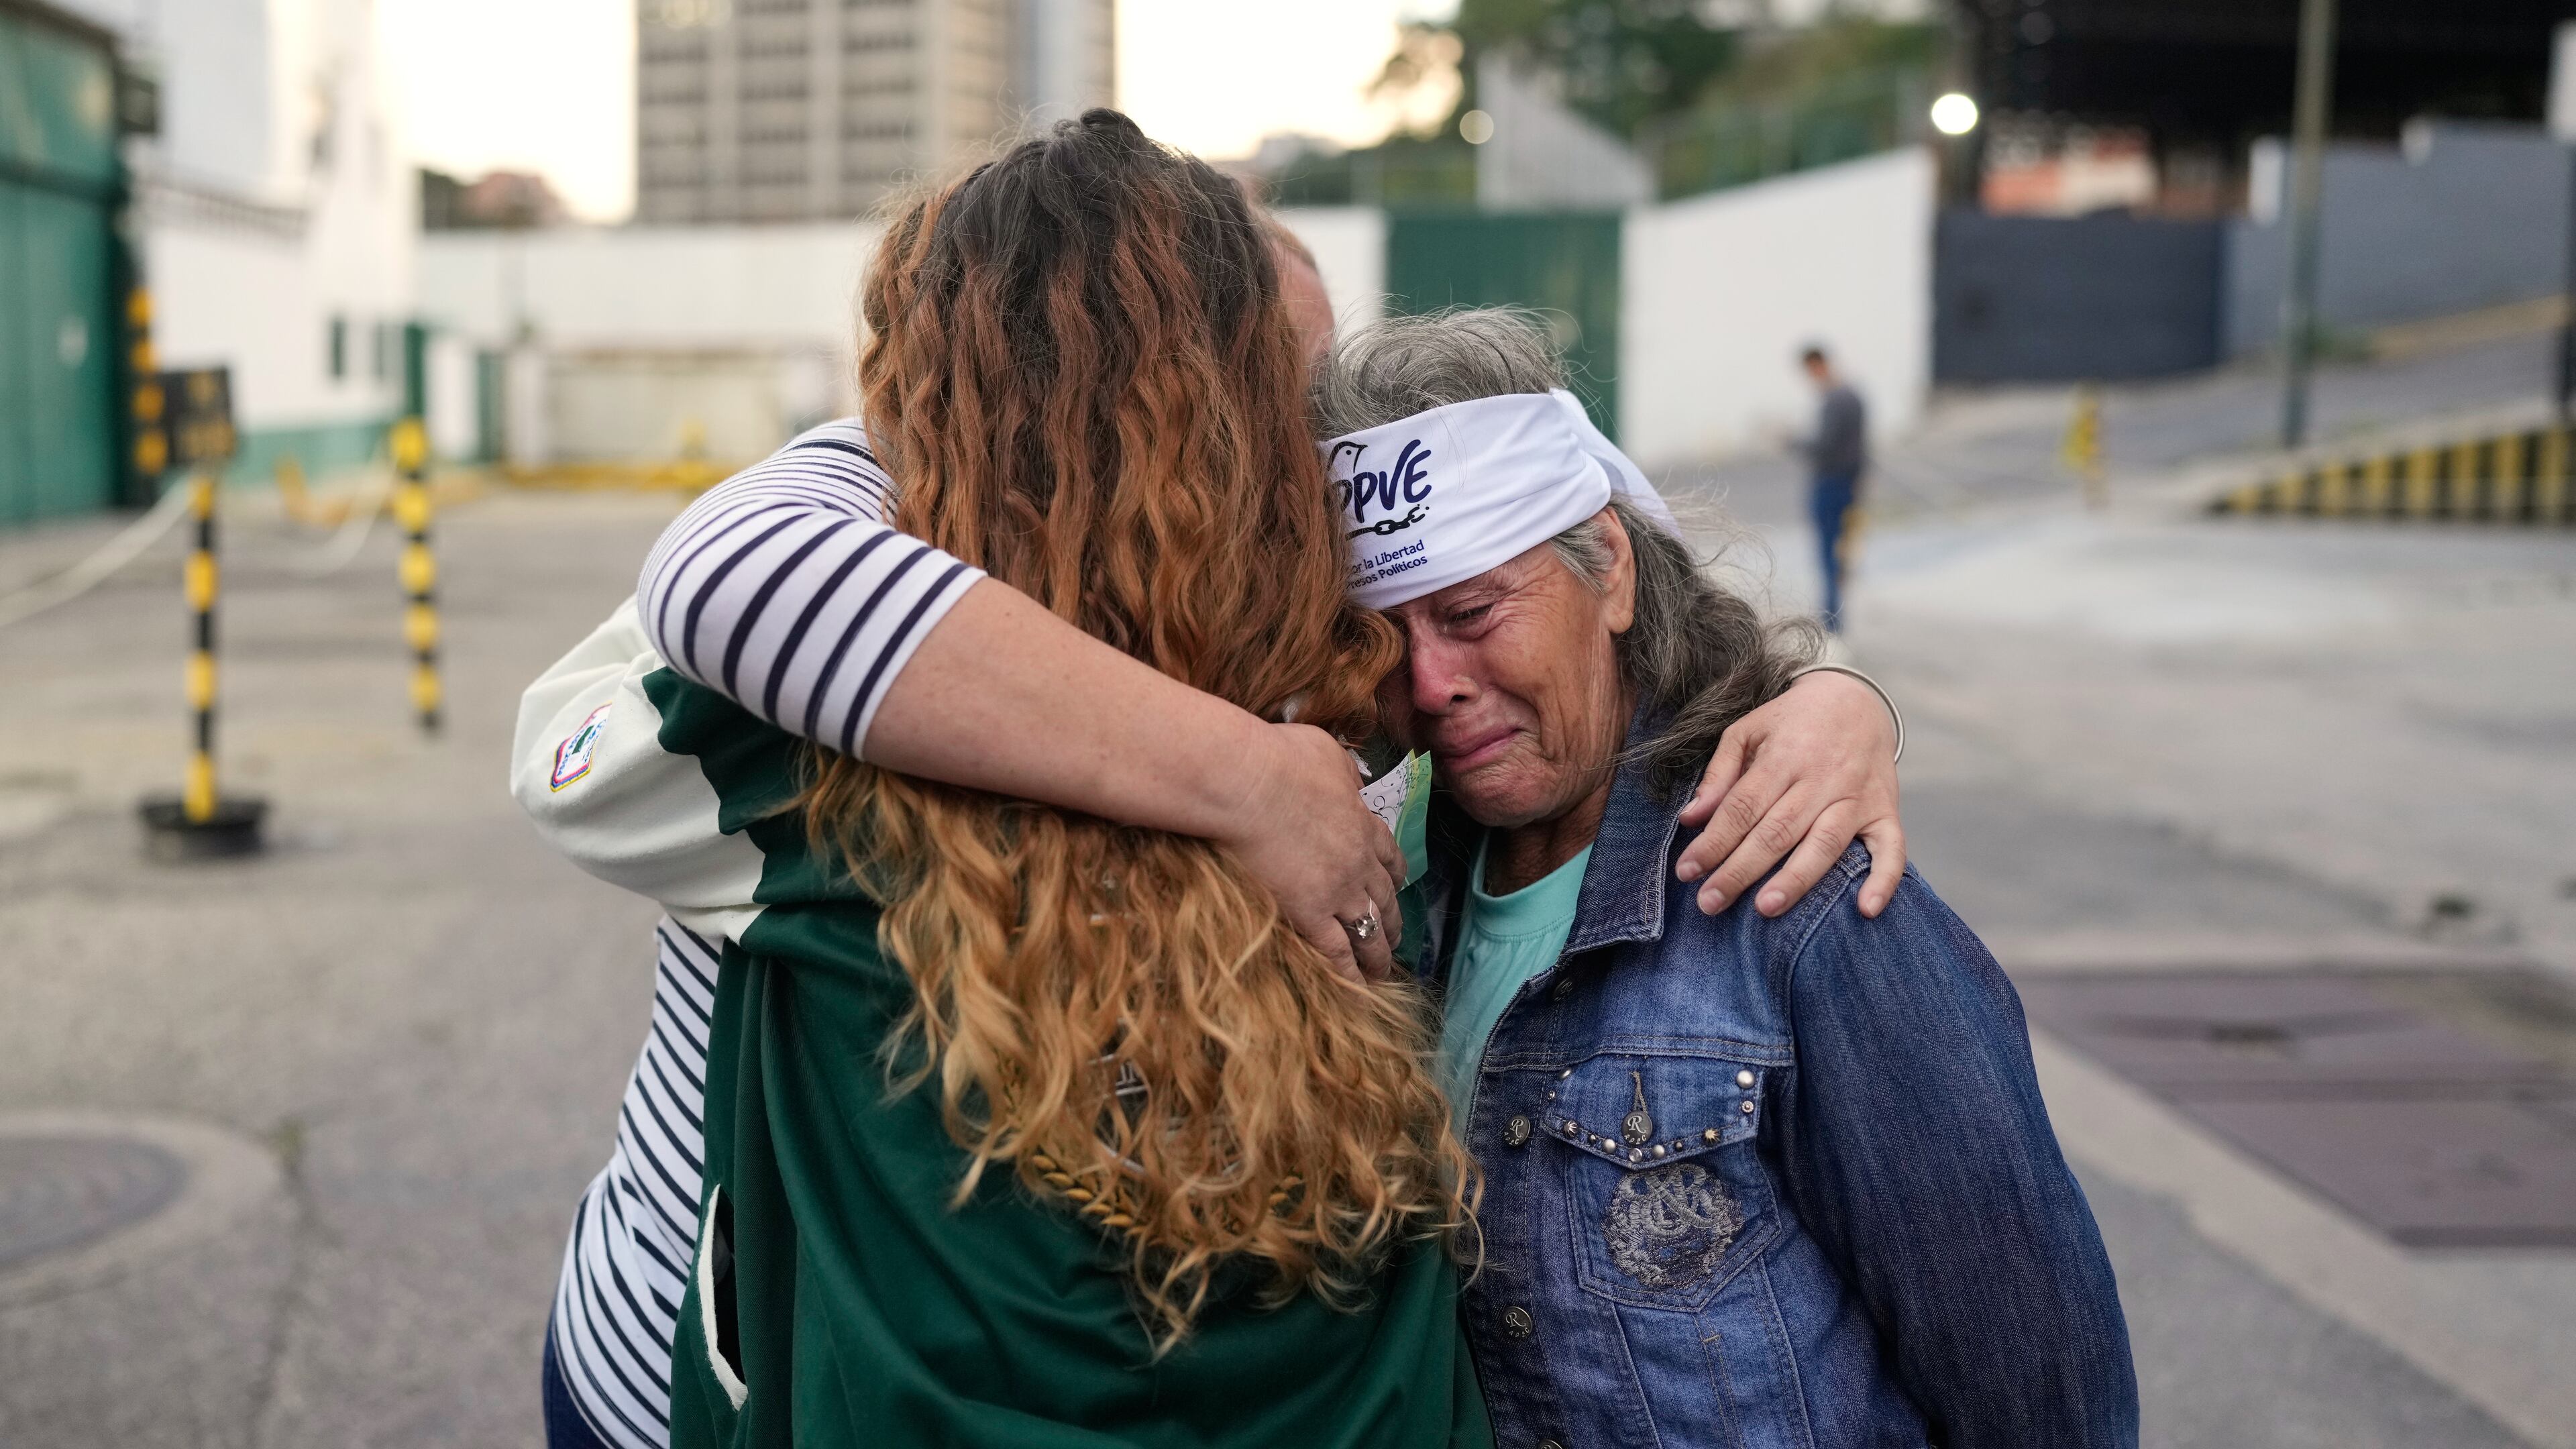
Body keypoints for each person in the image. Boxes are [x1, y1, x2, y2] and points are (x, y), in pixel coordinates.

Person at [514, 121, 1909, 1448]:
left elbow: (1573, 595)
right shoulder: (804, 701)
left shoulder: (1315, 660)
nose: (1315, 460)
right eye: (1281, 395)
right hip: (685, 1358)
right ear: (1182, 414)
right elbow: (723, 577)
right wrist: (1248, 782)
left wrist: (1820, 703)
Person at [1316, 309, 2137, 1447]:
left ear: (1608, 570)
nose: (1434, 680)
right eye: (1384, 638)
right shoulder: (1394, 901)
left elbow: (2044, 1396)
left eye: (1471, 613)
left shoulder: (1798, 903)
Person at [1796, 343, 1867, 634]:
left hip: (1832, 484)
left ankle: (1832, 621)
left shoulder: (1837, 400)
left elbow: (1823, 447)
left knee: (1830, 555)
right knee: (1839, 553)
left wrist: (1788, 440)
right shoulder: (1852, 396)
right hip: (1848, 484)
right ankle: (1833, 618)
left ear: (1816, 365)